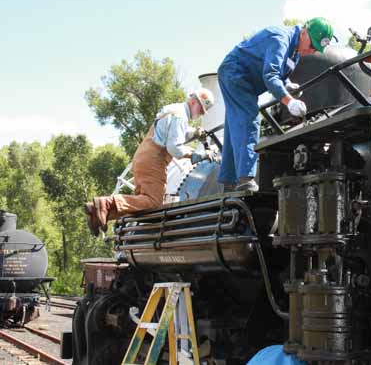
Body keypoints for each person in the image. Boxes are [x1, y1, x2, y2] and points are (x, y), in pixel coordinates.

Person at [218, 18, 333, 192]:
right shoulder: (280, 39)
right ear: (304, 32)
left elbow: (280, 74)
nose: (311, 50)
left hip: (240, 78)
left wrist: (287, 85)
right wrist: (290, 102)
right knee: (249, 118)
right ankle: (246, 179)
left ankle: (229, 182)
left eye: (316, 49)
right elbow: (270, 76)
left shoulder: (295, 52)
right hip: (235, 74)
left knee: (234, 125)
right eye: (312, 45)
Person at [84, 88, 215, 236]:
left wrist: (195, 133)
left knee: (142, 203)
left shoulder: (174, 110)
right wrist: (197, 155)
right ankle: (106, 203)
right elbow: (174, 148)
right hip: (154, 160)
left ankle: (96, 213)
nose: (201, 114)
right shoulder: (181, 116)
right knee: (154, 202)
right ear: (193, 101)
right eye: (201, 110)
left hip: (143, 157)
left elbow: (174, 134)